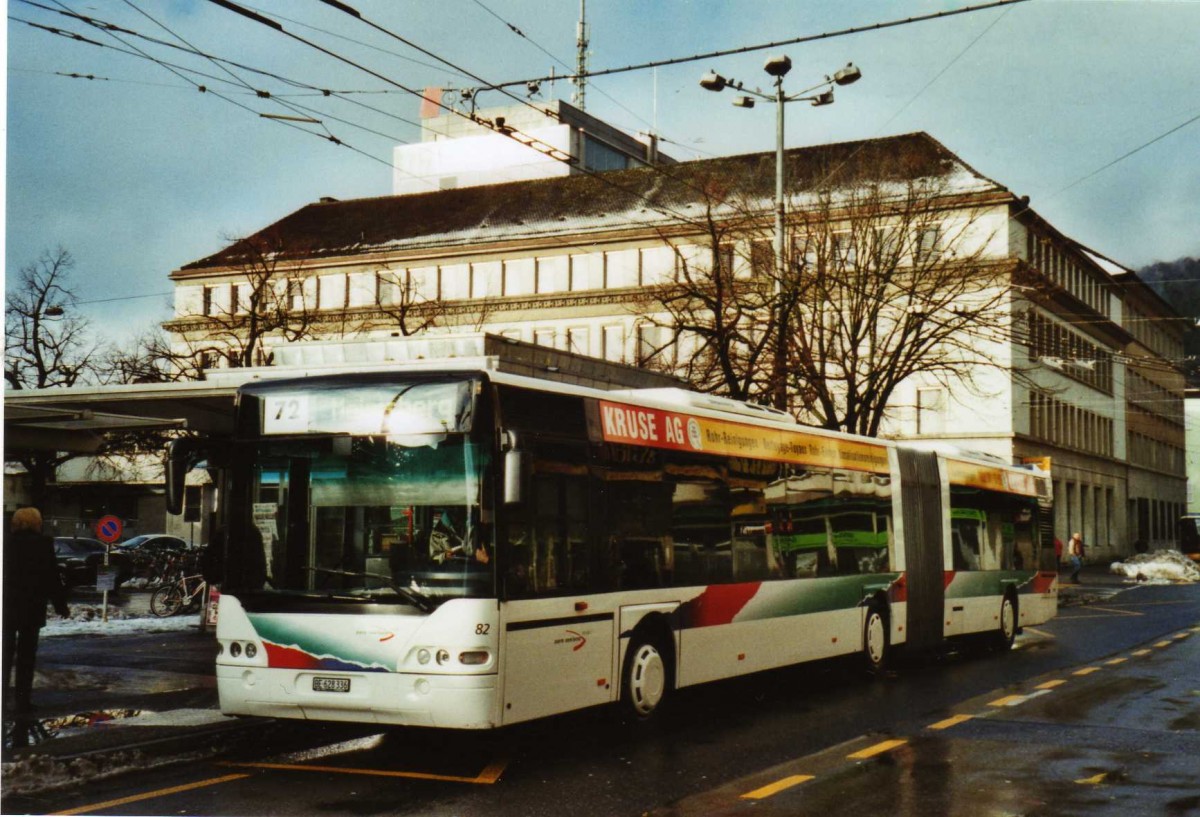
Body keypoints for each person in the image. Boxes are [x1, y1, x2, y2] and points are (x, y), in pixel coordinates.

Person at [3, 507, 70, 714]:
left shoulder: (5, 543)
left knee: (3, 656)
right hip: (31, 608)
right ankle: (22, 702)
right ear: (36, 523)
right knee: (26, 658)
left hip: (5, 608)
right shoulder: (43, 544)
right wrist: (61, 605)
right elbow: (51, 577)